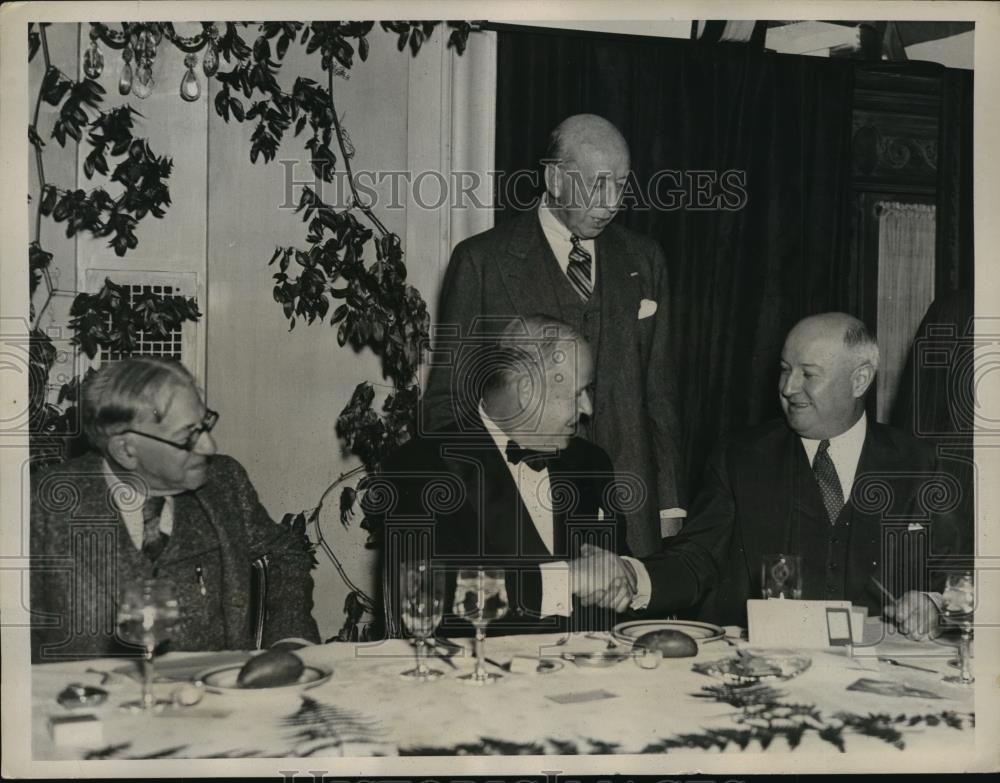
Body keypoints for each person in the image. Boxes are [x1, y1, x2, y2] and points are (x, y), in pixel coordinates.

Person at [581, 313, 965, 638]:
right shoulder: (740, 456)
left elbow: (955, 573)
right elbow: (696, 558)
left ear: (860, 380)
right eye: (784, 370)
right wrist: (634, 575)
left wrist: (932, 603)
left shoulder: (920, 462)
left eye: (807, 374)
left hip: (878, 677)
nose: (788, 387)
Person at [423, 113, 685, 557]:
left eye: (621, 184)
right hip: (521, 513)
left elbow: (659, 395)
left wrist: (669, 505)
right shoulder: (481, 263)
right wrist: (472, 509)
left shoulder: (646, 259)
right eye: (597, 184)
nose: (611, 202)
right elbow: (449, 403)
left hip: (628, 508)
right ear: (554, 178)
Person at [368, 316, 645, 637]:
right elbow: (427, 599)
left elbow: (613, 570)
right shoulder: (419, 465)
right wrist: (568, 578)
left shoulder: (591, 462)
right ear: (527, 390)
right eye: (577, 392)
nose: (588, 408)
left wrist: (622, 577)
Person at [30, 357, 320, 662]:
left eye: (204, 425)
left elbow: (282, 554)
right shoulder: (41, 506)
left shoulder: (225, 482)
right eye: (187, 437)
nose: (209, 446)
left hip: (216, 697)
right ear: (126, 450)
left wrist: (291, 637)